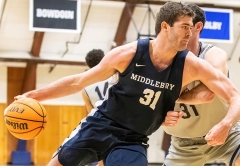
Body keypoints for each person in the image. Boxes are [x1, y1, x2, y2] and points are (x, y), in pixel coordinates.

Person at [14, 2, 240, 166]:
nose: (189, 33)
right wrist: (35, 95)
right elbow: (78, 81)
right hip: (100, 125)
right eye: (184, 27)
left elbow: (233, 95)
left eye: (191, 27)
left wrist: (226, 124)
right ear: (165, 27)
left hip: (133, 137)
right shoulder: (128, 53)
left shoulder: (192, 64)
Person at [162, 3, 240, 166]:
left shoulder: (213, 54)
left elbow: (206, 94)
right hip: (182, 145)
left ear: (197, 26)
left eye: (186, 26)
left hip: (227, 134)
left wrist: (174, 96)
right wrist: (160, 119)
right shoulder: (161, 59)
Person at [82, 49, 112, 166]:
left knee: (102, 160)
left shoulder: (85, 89)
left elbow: (91, 114)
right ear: (104, 59)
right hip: (120, 122)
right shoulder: (116, 76)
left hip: (101, 126)